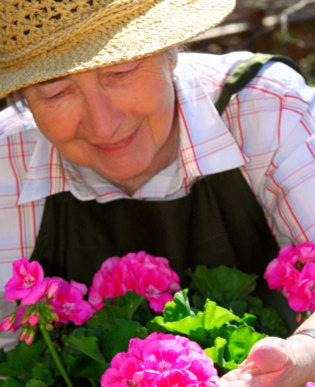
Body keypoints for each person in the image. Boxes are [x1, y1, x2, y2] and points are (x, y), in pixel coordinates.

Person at [0, 0, 315, 385]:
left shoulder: (272, 112)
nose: (104, 126)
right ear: (24, 99)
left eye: (121, 71)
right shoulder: (6, 165)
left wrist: (300, 356)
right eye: (56, 92)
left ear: (170, 54)